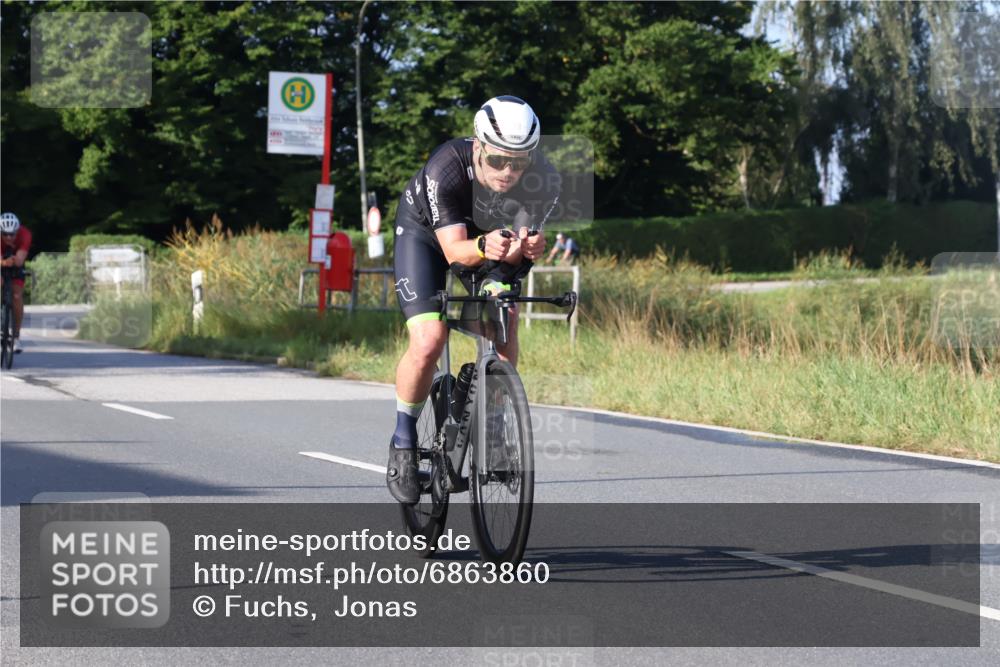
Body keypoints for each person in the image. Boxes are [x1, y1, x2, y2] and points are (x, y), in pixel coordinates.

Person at [387, 95, 561, 504]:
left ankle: (495, 422)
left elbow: (516, 249)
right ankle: (403, 439)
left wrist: (531, 246)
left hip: (489, 242)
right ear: (479, 146)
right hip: (428, 237)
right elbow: (454, 253)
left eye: (519, 163)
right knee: (430, 339)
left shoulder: (545, 178)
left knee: (504, 316)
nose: (508, 172)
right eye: (499, 160)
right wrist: (488, 244)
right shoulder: (446, 166)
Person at [0, 212, 31, 354]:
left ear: (17, 231)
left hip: (15, 266)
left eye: (12, 234)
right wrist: (3, 262)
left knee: (17, 296)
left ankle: (16, 337)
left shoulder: (25, 234)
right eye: (5, 234)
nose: (8, 237)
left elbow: (19, 260)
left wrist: (12, 261)